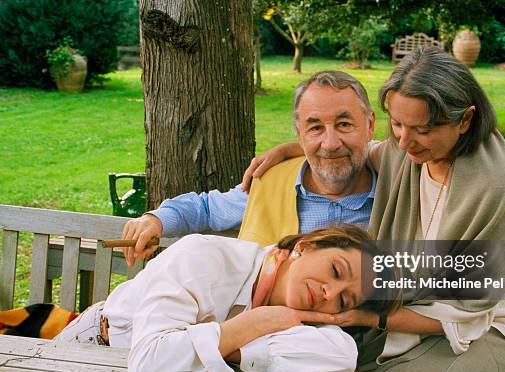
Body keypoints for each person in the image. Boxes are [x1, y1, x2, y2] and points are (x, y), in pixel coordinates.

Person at [241, 47, 505, 372]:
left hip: (494, 321)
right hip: (417, 305)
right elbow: (360, 148)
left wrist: (372, 319)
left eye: (421, 128)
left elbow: (472, 309)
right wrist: (288, 149)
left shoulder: (494, 188)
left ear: (464, 120)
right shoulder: (407, 153)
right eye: (398, 125)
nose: (404, 142)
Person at [53, 225, 400, 372]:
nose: (329, 292)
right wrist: (257, 324)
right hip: (95, 352)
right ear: (307, 246)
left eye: (343, 300)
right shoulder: (203, 257)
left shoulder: (300, 315)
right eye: (337, 270)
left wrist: (232, 349)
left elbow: (341, 355)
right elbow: (148, 365)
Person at [121, 70, 377, 266]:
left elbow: (414, 276)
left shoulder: (399, 191)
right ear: (299, 134)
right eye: (315, 128)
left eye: (344, 124)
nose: (330, 144)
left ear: (370, 125)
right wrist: (155, 220)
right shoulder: (270, 183)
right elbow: (205, 208)